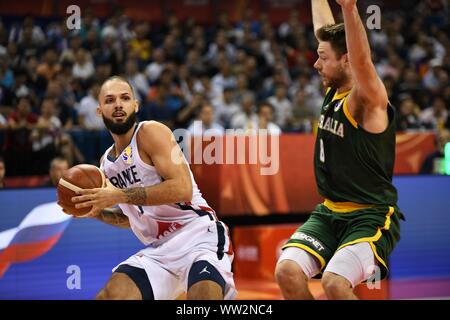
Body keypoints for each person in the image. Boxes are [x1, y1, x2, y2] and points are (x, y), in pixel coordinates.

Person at [62, 76, 236, 300]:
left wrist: (118, 194)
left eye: (125, 98)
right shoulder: (106, 165)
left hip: (198, 236)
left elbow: (182, 188)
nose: (118, 104)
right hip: (159, 250)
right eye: (110, 100)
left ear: (136, 105)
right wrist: (98, 212)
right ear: (99, 111)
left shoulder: (150, 133)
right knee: (110, 296)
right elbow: (135, 218)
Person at [275, 0, 404, 300]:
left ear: (346, 60)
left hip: (370, 215)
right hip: (329, 212)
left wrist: (349, 7)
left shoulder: (366, 99)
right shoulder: (334, 88)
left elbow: (363, 62)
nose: (315, 64)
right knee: (287, 272)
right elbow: (324, 32)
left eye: (323, 58)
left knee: (333, 283)